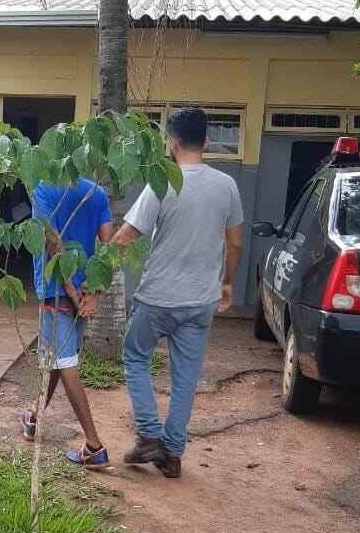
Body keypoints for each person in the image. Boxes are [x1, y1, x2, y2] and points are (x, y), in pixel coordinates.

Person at [113, 107, 244, 478]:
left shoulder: (162, 182)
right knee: (185, 378)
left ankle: (149, 436)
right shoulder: (227, 186)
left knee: (136, 357)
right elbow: (235, 244)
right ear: (205, 141)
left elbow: (127, 236)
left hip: (156, 297)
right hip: (200, 301)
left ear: (171, 142)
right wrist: (227, 281)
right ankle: (172, 453)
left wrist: (95, 272)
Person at [22, 177, 114, 469]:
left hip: (57, 290)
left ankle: (94, 446)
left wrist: (73, 292)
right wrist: (94, 293)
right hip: (86, 293)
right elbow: (108, 247)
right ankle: (34, 417)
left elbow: (52, 243)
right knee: (57, 359)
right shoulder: (97, 192)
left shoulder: (43, 188)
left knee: (64, 363)